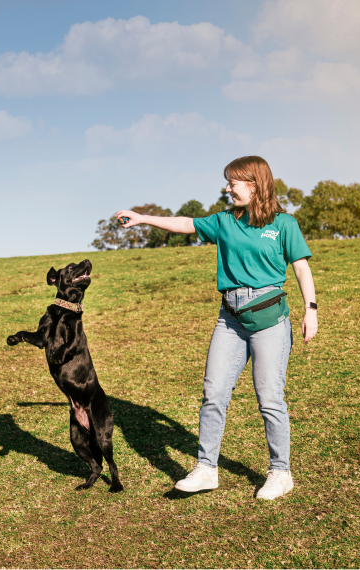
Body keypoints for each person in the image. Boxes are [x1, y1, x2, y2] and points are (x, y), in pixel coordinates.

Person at [116, 155, 317, 500]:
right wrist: (142, 218)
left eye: (233, 182)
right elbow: (186, 224)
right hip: (231, 321)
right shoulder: (224, 221)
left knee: (270, 399)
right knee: (214, 395)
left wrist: (310, 309)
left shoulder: (284, 224)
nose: (227, 188)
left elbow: (300, 267)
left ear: (254, 185)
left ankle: (281, 473)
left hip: (270, 322)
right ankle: (206, 469)